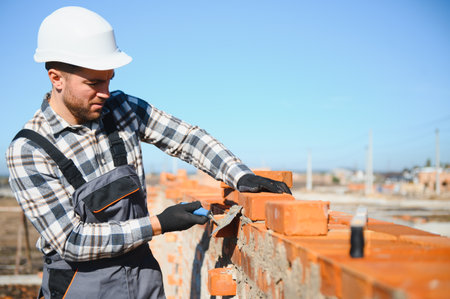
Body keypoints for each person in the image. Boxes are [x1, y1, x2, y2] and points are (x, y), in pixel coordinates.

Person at [6, 6, 291, 299]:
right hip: (79, 286)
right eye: (93, 83)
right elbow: (72, 240)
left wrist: (239, 175)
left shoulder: (122, 109)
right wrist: (159, 223)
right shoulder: (29, 150)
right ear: (56, 78)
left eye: (109, 79)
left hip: (143, 280)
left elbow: (187, 139)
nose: (105, 92)